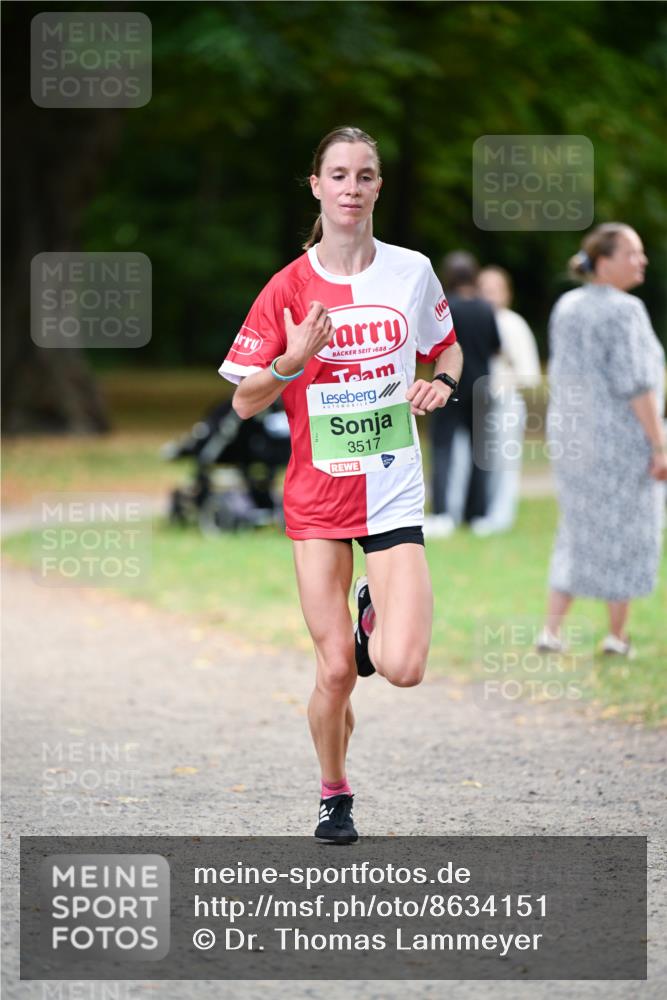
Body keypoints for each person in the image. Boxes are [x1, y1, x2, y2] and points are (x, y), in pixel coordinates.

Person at [218, 126, 463, 843]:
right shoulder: (287, 288)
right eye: (338, 175)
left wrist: (442, 384)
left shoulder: (412, 272)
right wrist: (291, 360)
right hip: (318, 498)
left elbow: (446, 347)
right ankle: (334, 793)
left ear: (377, 187)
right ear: (316, 186)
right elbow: (243, 401)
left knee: (403, 667)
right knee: (335, 674)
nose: (351, 188)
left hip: (391, 490)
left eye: (364, 175)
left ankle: (370, 618)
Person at [537, 223, 666, 659]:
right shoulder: (625, 310)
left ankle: (551, 630)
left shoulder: (567, 305)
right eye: (633, 253)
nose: (642, 260)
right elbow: (637, 383)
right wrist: (659, 445)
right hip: (619, 440)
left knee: (576, 529)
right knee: (627, 530)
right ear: (605, 262)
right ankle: (616, 635)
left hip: (573, 437)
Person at [426, 251, 500, 536]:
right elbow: (495, 346)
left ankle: (442, 513)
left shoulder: (445, 308)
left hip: (448, 387)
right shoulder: (485, 308)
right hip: (481, 389)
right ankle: (477, 515)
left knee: (441, 450)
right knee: (479, 453)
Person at [474, 265, 542, 535]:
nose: (489, 296)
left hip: (506, 403)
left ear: (506, 293)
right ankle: (479, 511)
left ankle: (500, 516)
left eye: (494, 290)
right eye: (484, 289)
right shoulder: (473, 321)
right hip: (477, 405)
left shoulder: (514, 325)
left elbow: (529, 374)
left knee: (504, 462)